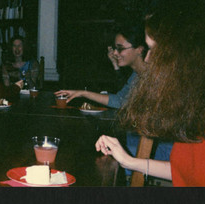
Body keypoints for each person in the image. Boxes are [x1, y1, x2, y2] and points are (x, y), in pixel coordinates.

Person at [95, 2, 205, 187]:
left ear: (182, 55)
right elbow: (182, 170)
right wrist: (127, 160)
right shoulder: (194, 110)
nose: (147, 58)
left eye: (154, 49)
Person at [55, 20, 173, 179]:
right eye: (115, 48)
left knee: (95, 153)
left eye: (120, 48)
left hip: (160, 149)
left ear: (139, 49)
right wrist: (82, 93)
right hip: (144, 140)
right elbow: (119, 100)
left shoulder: (153, 77)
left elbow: (123, 103)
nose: (115, 53)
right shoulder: (137, 74)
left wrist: (83, 93)